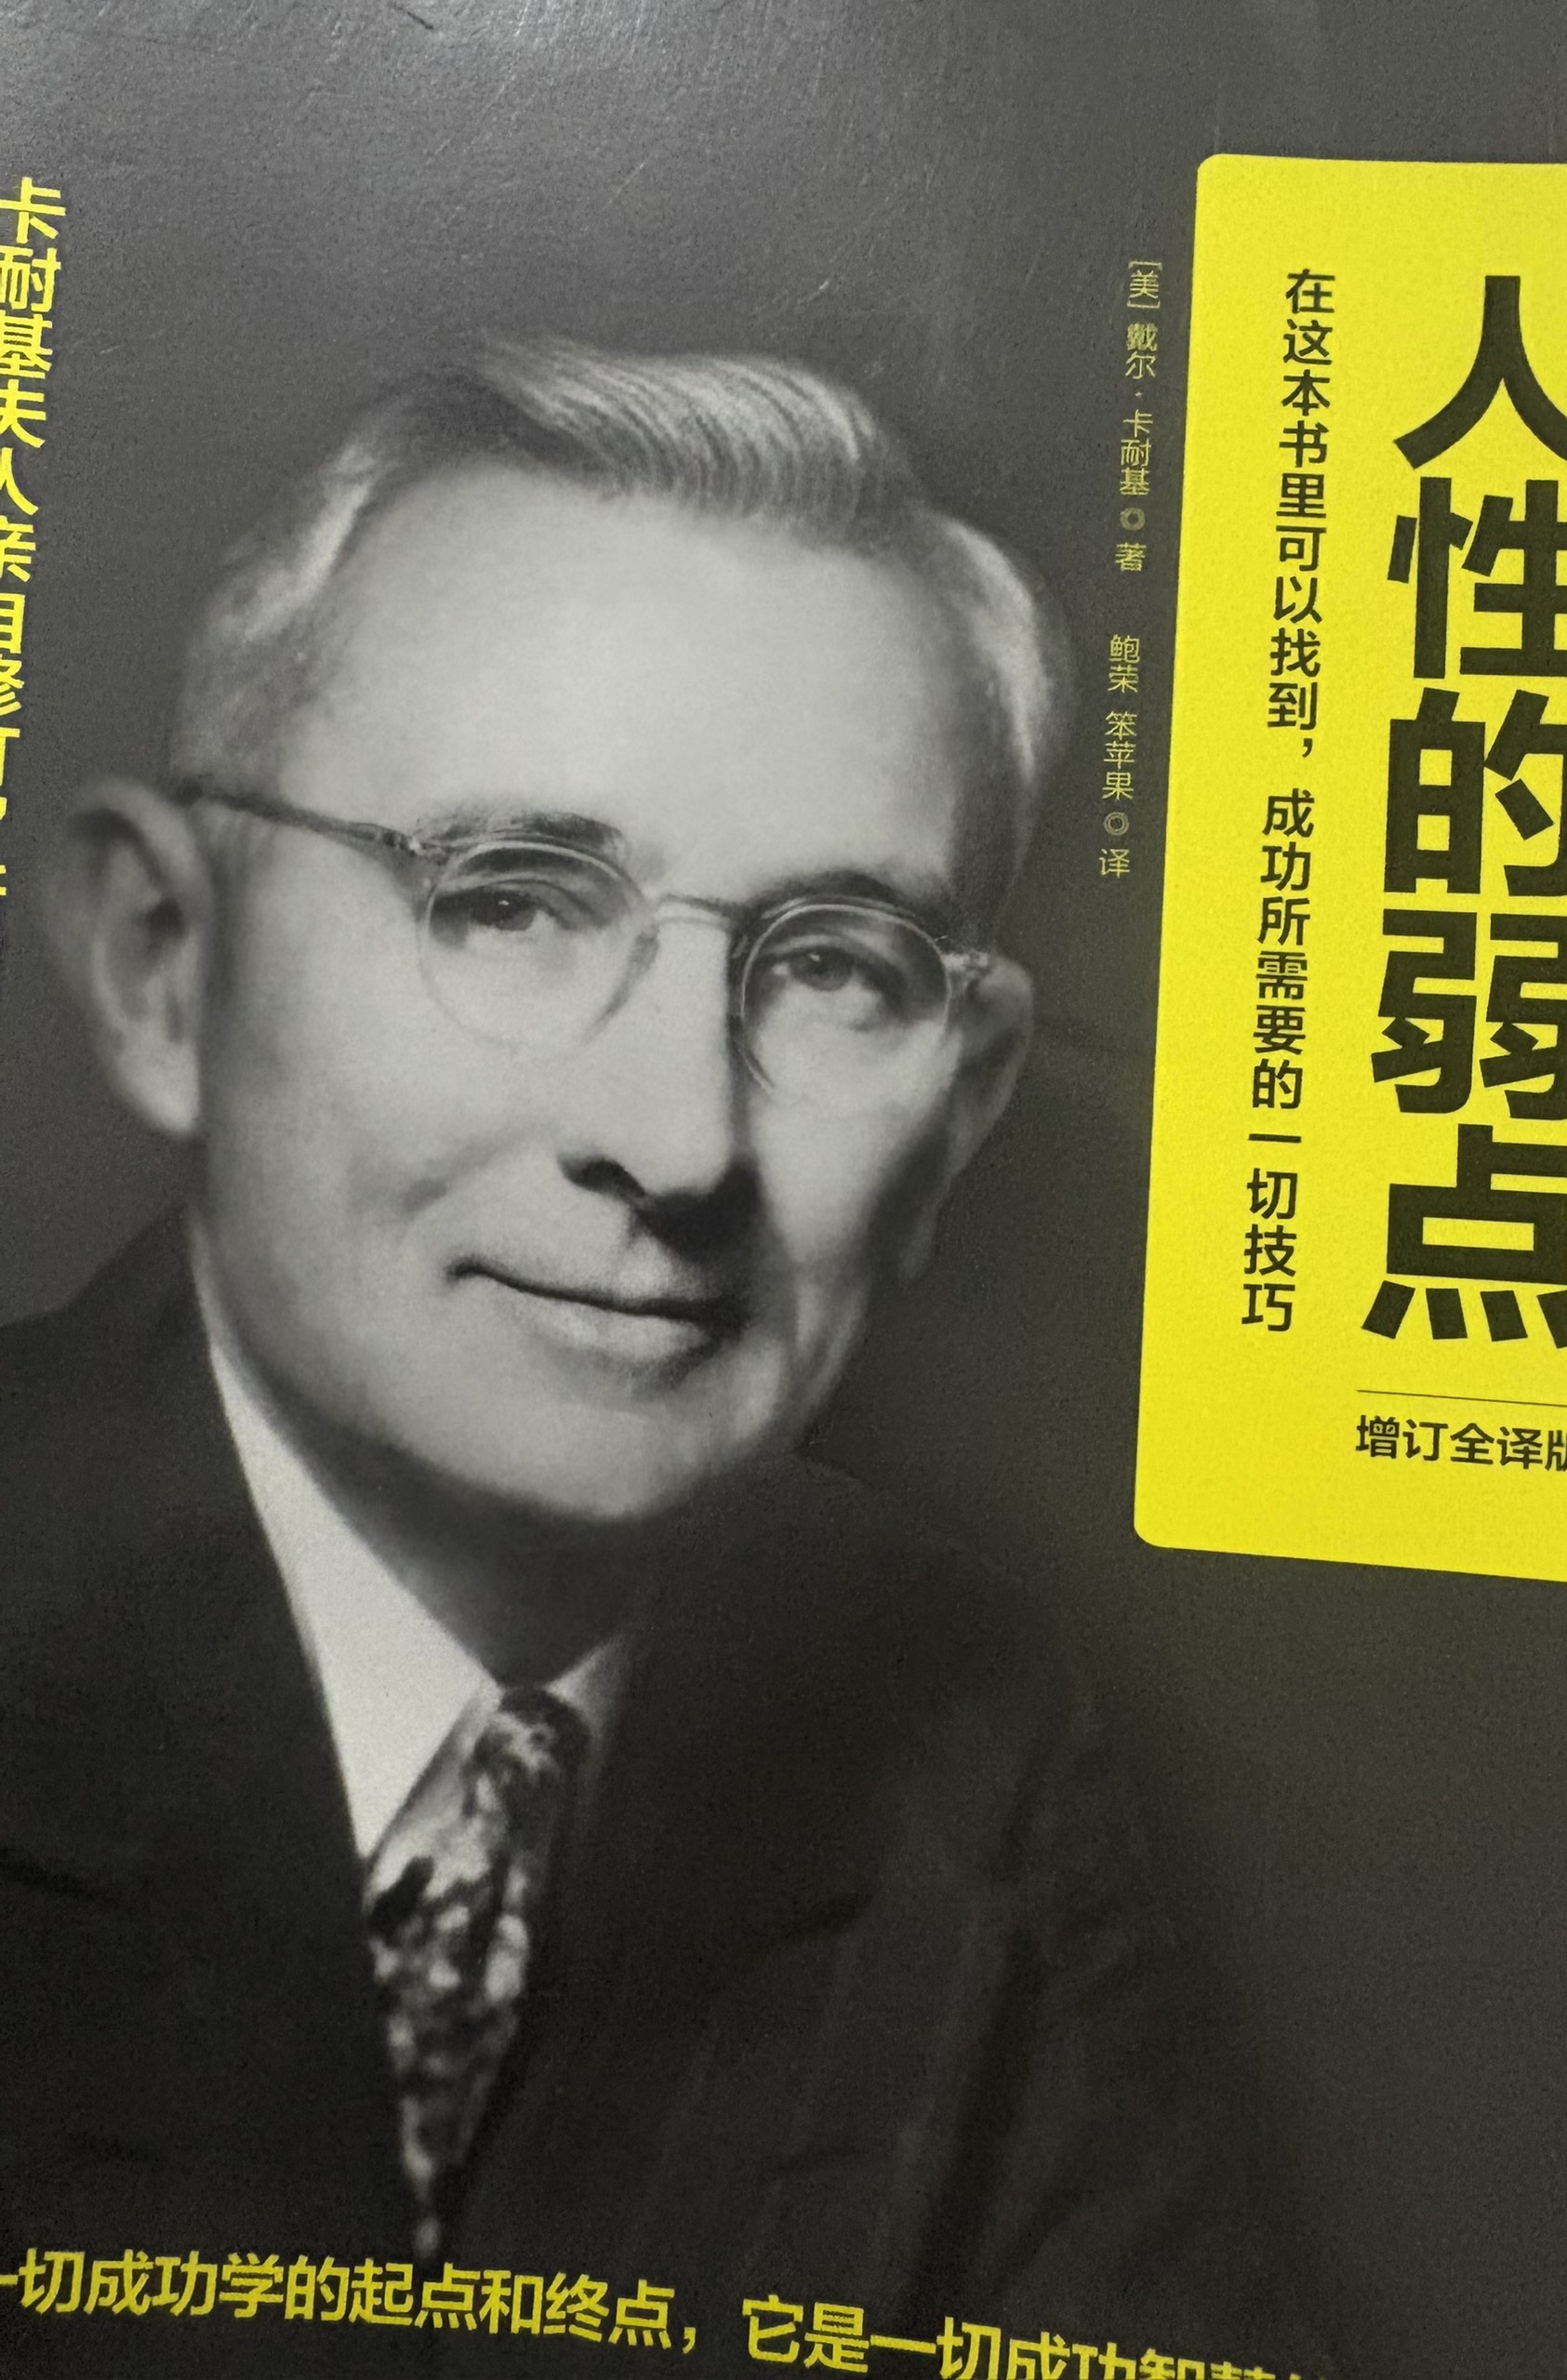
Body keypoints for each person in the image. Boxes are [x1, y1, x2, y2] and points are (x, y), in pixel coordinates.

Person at [0, 338, 1319, 2376]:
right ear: (171, 966)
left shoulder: (970, 1721)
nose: (683, 1138)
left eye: (837, 966)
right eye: (513, 903)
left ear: (961, 1112)